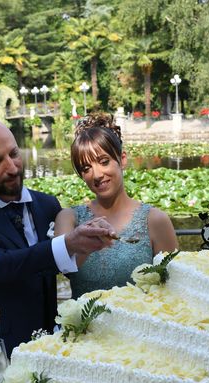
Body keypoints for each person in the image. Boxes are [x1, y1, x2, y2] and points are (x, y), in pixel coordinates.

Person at [0, 118, 114, 354]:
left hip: (48, 347)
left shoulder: (47, 204)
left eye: (14, 154)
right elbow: (1, 265)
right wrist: (69, 243)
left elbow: (61, 267)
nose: (12, 168)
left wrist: (88, 240)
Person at [54, 114, 178, 298]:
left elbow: (174, 287)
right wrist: (84, 240)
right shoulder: (68, 218)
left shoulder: (155, 220)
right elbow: (63, 268)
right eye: (86, 169)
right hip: (86, 325)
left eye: (104, 162)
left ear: (122, 159)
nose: (97, 174)